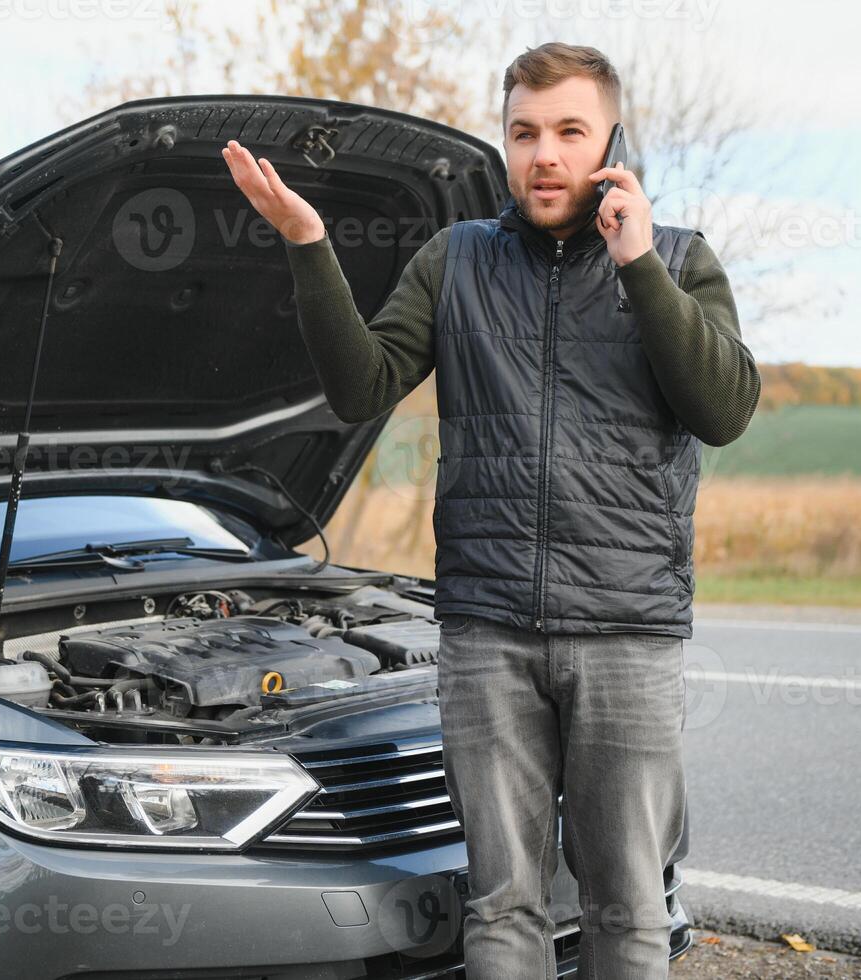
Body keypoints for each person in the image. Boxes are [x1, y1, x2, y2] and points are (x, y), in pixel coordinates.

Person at [222, 41, 761, 980]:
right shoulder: (456, 260)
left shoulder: (678, 260)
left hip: (627, 632)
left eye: (568, 132)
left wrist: (638, 265)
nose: (543, 154)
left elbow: (722, 411)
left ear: (611, 142)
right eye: (523, 133)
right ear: (503, 142)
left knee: (626, 908)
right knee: (501, 905)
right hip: (485, 634)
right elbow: (360, 388)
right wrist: (310, 248)